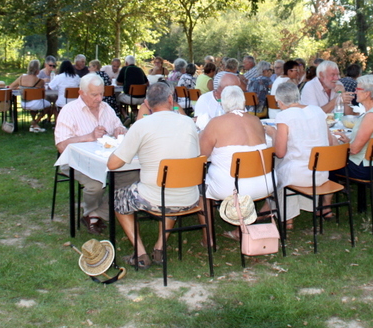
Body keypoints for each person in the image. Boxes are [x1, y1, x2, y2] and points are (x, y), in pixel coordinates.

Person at [107, 83, 201, 268]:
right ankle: (159, 247)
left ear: (147, 104)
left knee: (118, 197)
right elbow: (196, 156)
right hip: (190, 197)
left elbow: (113, 164)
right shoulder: (188, 122)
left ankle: (140, 253)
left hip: (156, 197)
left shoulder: (141, 125)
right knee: (170, 185)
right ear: (170, 100)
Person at [55, 74, 130, 235]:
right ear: (81, 93)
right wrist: (87, 137)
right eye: (94, 94)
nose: (99, 99)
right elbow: (61, 145)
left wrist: (120, 130)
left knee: (133, 177)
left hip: (105, 160)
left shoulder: (106, 109)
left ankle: (95, 214)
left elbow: (120, 127)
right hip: (76, 161)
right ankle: (93, 214)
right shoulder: (69, 111)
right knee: (96, 185)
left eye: (101, 94)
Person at [199, 86, 273, 238]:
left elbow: (201, 155)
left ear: (222, 103)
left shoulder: (215, 123)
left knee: (200, 189)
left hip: (233, 188)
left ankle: (208, 238)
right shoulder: (256, 120)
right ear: (244, 101)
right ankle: (241, 226)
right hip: (265, 184)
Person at [264, 81, 335, 228]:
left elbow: (280, 152)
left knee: (274, 169)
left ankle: (285, 217)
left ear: (279, 101)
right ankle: (279, 212)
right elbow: (330, 141)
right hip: (320, 172)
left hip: (299, 174)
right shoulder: (318, 111)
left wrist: (273, 133)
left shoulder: (285, 116)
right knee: (287, 166)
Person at [331, 75, 373, 181]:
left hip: (365, 168)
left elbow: (354, 150)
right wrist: (348, 141)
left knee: (326, 163)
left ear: (367, 93)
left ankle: (327, 194)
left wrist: (335, 144)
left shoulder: (371, 116)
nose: (355, 92)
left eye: (358, 89)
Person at [9, 59, 52, 132]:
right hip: (35, 103)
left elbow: (11, 87)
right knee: (49, 106)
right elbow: (43, 92)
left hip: (24, 103)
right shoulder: (40, 81)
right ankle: (35, 122)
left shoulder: (21, 78)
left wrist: (21, 88)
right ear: (38, 69)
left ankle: (34, 123)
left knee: (36, 105)